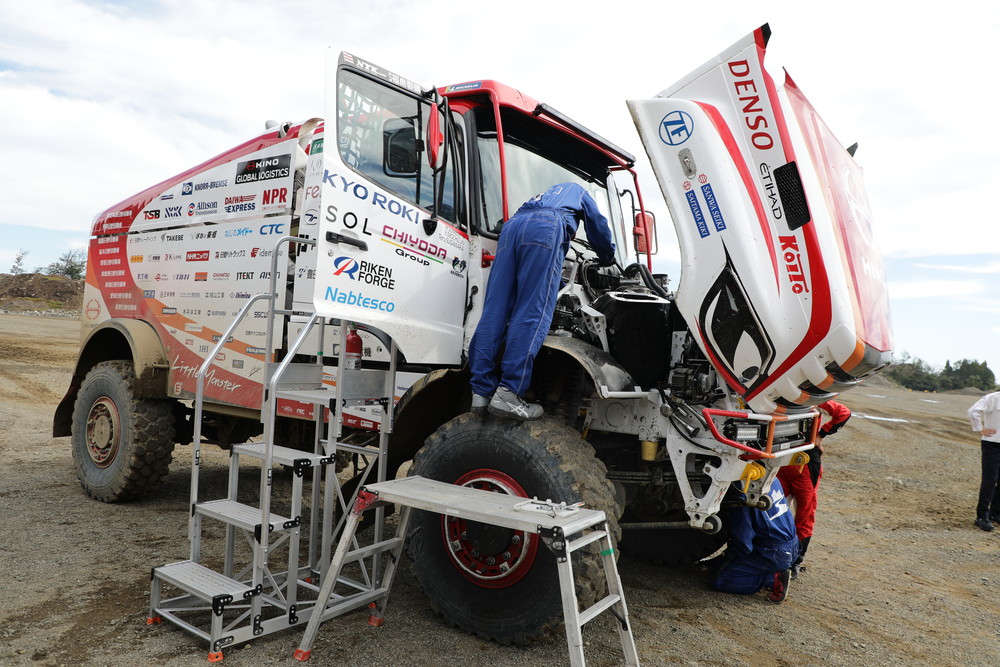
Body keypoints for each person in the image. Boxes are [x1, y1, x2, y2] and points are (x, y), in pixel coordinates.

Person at [468, 182, 616, 421]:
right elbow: (597, 225)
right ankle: (509, 391)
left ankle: (481, 391)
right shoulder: (577, 191)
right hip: (546, 227)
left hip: (512, 227)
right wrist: (607, 256)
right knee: (531, 312)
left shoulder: (541, 196)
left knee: (495, 310)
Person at [777, 399, 851, 577]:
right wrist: (820, 435)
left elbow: (843, 413)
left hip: (787, 459)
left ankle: (791, 560)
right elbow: (843, 413)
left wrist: (820, 435)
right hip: (795, 460)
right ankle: (790, 560)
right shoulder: (808, 395)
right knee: (791, 511)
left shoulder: (785, 393)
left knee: (781, 509)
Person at [712, 480, 799, 603]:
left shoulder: (742, 489)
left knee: (721, 580)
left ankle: (772, 579)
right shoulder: (769, 474)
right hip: (792, 544)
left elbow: (743, 543)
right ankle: (774, 569)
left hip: (773, 552)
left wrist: (725, 560)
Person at [967, 390, 1000, 532]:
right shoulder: (992, 398)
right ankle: (981, 516)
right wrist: (980, 428)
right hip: (992, 444)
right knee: (990, 480)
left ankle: (995, 513)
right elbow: (973, 411)